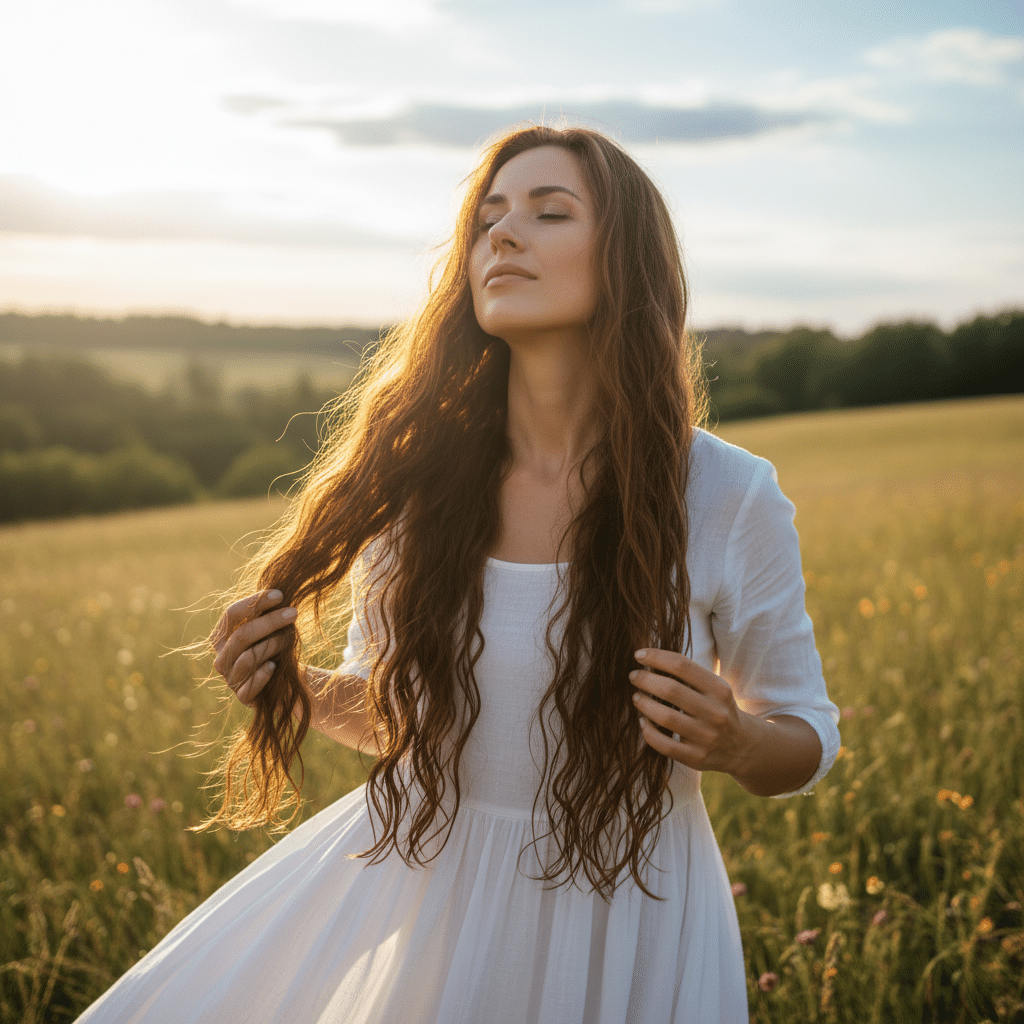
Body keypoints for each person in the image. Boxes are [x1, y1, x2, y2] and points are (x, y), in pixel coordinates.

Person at [76, 125, 840, 1024]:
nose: (504, 235)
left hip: (633, 911)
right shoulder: (419, 491)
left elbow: (808, 734)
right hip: (428, 894)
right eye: (489, 218)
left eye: (549, 212)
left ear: (629, 264)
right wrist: (300, 686)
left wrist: (740, 743)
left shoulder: (726, 492)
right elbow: (403, 718)